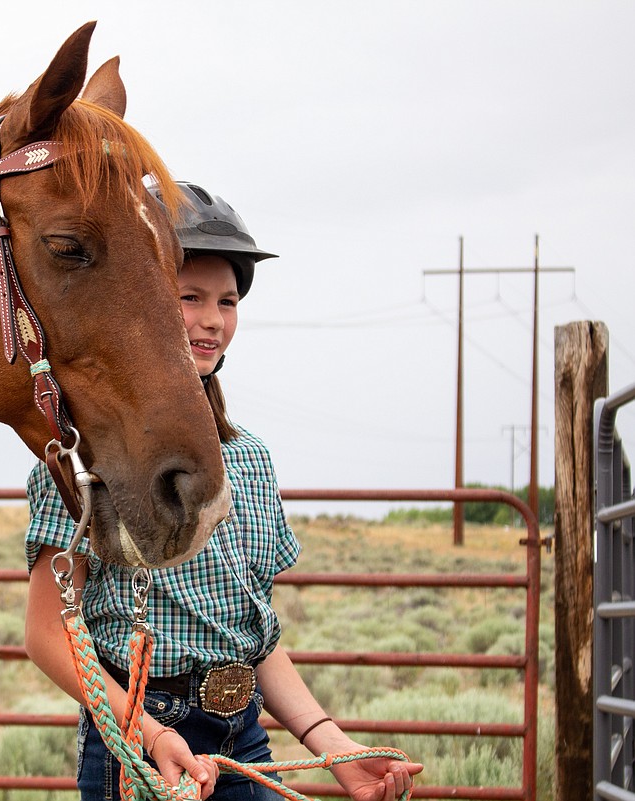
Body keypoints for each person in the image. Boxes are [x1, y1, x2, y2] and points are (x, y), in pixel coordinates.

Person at [23, 181, 423, 801]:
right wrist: (150, 735)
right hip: (140, 736)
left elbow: (253, 636)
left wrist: (334, 746)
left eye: (227, 301)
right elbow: (48, 634)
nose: (212, 319)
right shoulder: (86, 460)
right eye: (189, 297)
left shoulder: (251, 460)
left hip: (244, 735)